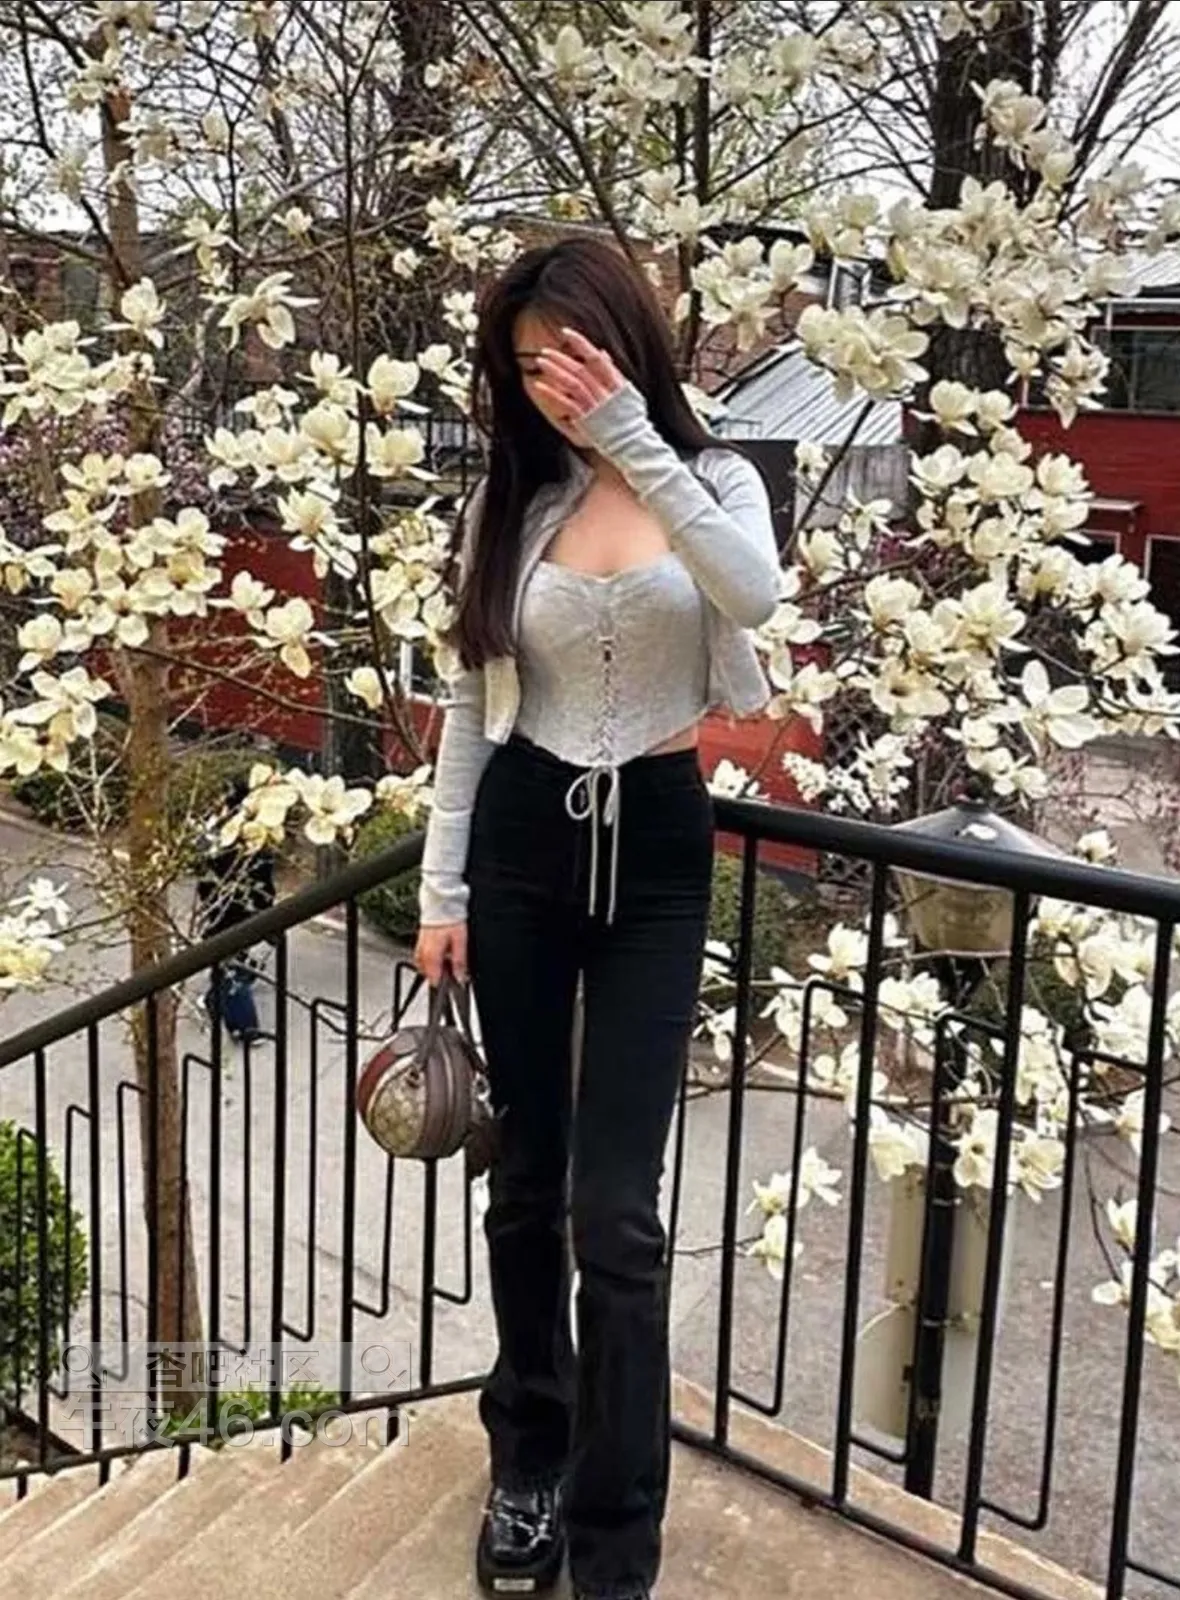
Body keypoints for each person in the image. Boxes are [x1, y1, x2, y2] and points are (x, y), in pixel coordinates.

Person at [414, 236, 780, 1600]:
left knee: (617, 1213)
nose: (552, 389)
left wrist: (633, 436)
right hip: (521, 840)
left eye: (571, 357)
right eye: (527, 368)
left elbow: (754, 592)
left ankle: (618, 1528)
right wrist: (442, 889)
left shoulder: (718, 482)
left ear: (626, 344)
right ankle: (527, 1459)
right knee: (525, 1180)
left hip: (660, 856)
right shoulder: (510, 502)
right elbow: (470, 705)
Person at [195, 774, 276, 1044]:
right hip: (237, 908)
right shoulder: (251, 832)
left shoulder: (227, 833)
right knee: (233, 966)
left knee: (233, 967)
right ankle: (234, 1019)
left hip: (231, 908)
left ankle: (228, 1012)